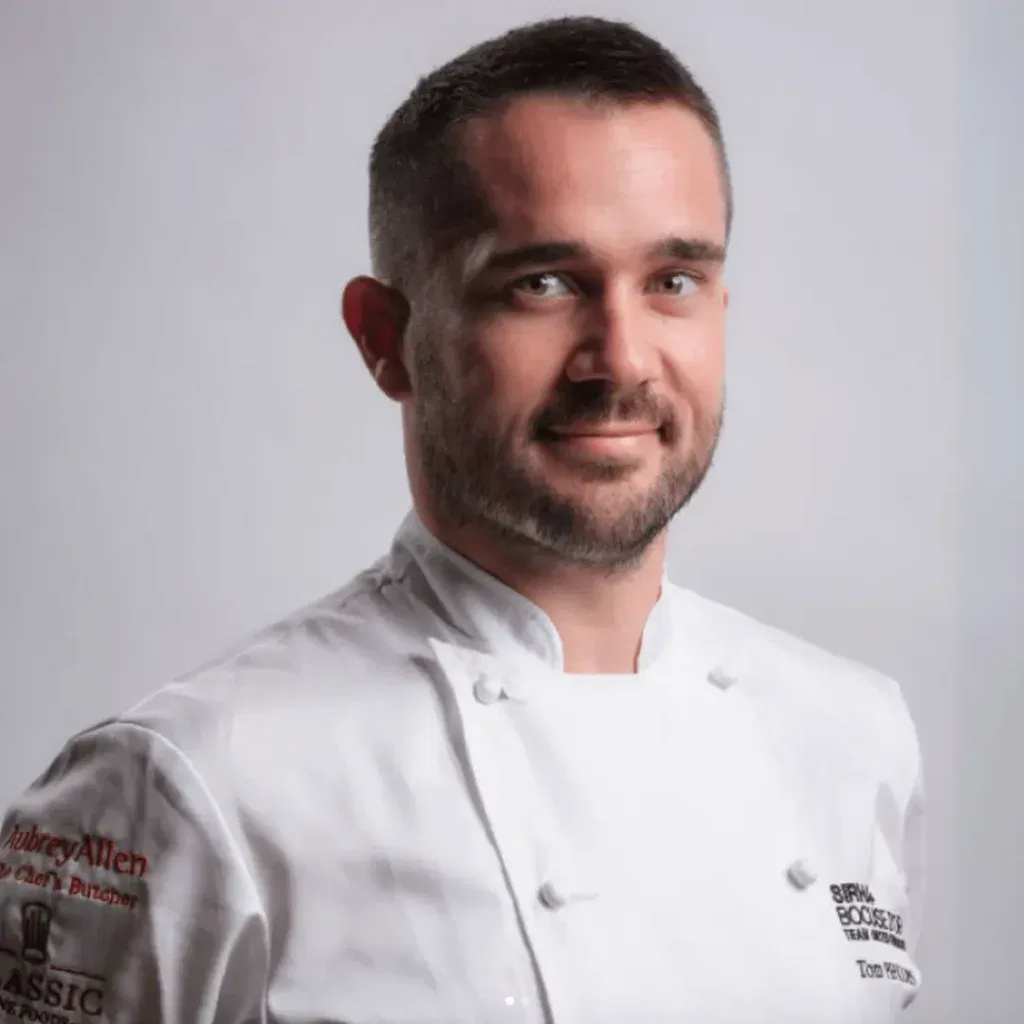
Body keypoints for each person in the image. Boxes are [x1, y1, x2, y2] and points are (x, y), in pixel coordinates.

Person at [0, 15, 925, 1024]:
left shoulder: (851, 735)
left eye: (672, 281)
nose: (621, 358)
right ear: (384, 338)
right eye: (542, 284)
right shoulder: (189, 786)